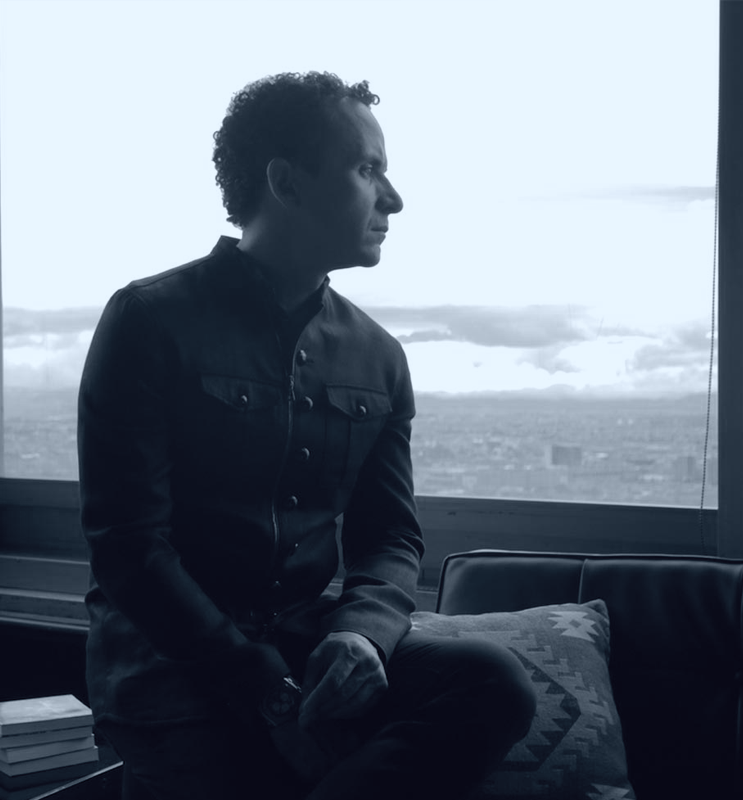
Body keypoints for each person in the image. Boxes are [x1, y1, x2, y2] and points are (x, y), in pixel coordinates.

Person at [78, 71, 536, 800]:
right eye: (368, 169)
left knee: (493, 683)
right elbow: (129, 547)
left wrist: (361, 633)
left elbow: (390, 538)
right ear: (286, 183)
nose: (394, 198)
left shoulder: (379, 355)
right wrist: (265, 689)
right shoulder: (149, 320)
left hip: (309, 646)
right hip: (172, 666)